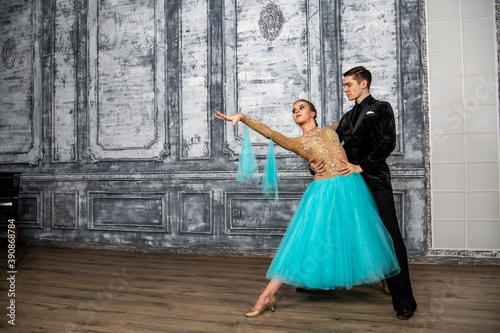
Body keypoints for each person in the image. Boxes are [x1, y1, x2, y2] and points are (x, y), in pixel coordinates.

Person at [215, 99, 401, 318]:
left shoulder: (333, 130)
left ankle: (386, 277)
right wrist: (243, 118)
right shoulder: (298, 142)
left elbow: (357, 123)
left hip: (349, 186)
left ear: (313, 112)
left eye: (301, 108)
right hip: (322, 192)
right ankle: (266, 297)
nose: (296, 112)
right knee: (304, 242)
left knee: (361, 232)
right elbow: (271, 133)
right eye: (293, 110)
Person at [311, 66, 417, 320]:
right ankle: (320, 282)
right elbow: (329, 145)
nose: (345, 89)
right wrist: (313, 164)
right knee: (335, 231)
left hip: (375, 179)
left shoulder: (381, 108)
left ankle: (404, 302)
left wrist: (362, 165)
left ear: (364, 83)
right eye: (344, 85)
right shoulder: (348, 118)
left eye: (349, 84)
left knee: (390, 237)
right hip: (349, 186)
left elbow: (388, 142)